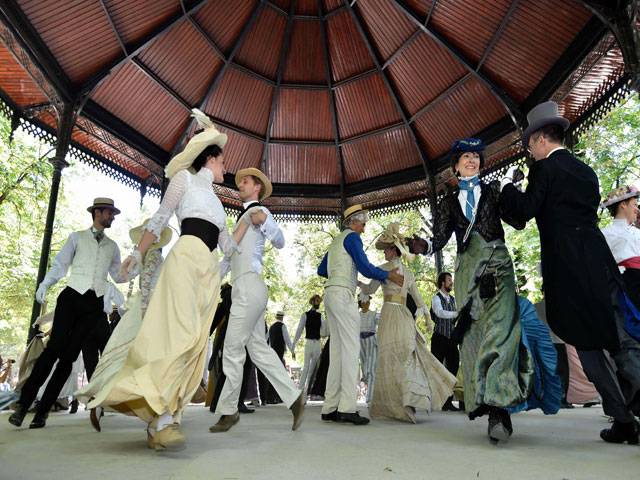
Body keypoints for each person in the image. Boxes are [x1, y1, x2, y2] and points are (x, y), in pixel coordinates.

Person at [80, 109, 240, 450]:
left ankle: (162, 421)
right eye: (222, 160)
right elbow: (161, 218)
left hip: (208, 271)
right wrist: (137, 253)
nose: (226, 167)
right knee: (179, 335)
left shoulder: (218, 203)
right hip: (184, 258)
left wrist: (254, 223)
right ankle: (163, 418)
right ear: (210, 159)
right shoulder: (184, 179)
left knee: (197, 343)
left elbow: (229, 246)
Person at [500, 101, 640, 444]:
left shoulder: (545, 170)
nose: (530, 151)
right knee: (619, 339)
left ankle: (624, 419)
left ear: (540, 140)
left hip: (569, 267)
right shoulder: (586, 171)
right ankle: (625, 418)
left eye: (530, 145)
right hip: (600, 263)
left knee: (588, 345)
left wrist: (506, 188)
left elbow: (523, 214)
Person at [407, 138, 533, 443]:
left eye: (476, 156)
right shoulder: (448, 201)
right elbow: (438, 240)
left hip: (498, 264)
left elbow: (517, 222)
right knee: (475, 335)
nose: (472, 160)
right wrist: (422, 247)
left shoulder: (493, 190)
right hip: (467, 270)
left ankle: (500, 409)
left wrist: (513, 190)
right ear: (456, 165)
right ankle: (489, 407)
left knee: (502, 331)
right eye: (466, 156)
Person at [9, 197, 127, 430]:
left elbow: (119, 277)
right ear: (97, 212)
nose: (112, 217)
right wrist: (45, 284)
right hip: (71, 297)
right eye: (109, 213)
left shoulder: (112, 247)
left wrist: (136, 263)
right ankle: (23, 405)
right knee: (52, 350)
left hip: (94, 305)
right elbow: (60, 265)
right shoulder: (77, 237)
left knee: (69, 359)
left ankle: (42, 413)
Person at [211, 168, 304, 434]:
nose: (240, 184)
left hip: (250, 286)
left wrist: (264, 220)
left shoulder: (257, 212)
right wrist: (208, 281)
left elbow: (281, 240)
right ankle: (294, 398)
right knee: (259, 350)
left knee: (231, 348)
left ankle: (228, 411)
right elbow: (228, 257)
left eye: (246, 181)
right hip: (243, 287)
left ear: (257, 189)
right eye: (240, 181)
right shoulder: (243, 216)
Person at [75, 219, 172, 432]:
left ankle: (102, 401)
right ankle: (156, 415)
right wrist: (149, 314)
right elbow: (145, 283)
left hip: (143, 307)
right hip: (149, 309)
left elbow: (123, 275)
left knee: (124, 361)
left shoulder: (145, 256)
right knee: (150, 362)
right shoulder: (155, 256)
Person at [360, 223, 456, 423]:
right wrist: (429, 321)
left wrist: (429, 319)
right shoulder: (388, 270)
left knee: (401, 354)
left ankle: (407, 401)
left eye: (386, 249)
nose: (384, 252)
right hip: (396, 314)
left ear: (393, 249)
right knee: (396, 356)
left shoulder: (391, 271)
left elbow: (417, 299)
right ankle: (398, 404)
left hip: (396, 314)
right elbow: (371, 291)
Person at [318, 204, 404, 425]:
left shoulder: (336, 241)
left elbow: (321, 270)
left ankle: (330, 408)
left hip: (329, 293)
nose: (364, 229)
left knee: (337, 352)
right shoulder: (353, 238)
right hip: (343, 295)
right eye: (363, 224)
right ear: (354, 222)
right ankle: (346, 407)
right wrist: (388, 275)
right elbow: (365, 267)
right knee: (350, 350)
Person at [601, 185, 640, 311]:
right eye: (634, 204)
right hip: (628, 286)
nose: (637, 209)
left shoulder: (637, 232)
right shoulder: (605, 234)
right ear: (623, 205)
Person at [430, 271, 461, 411]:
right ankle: (436, 400)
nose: (451, 282)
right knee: (437, 370)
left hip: (451, 339)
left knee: (453, 369)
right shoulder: (436, 298)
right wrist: (456, 313)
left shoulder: (454, 300)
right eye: (449, 280)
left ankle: (448, 402)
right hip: (439, 339)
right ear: (442, 282)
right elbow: (439, 312)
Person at [293, 295, 324, 396]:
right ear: (312, 302)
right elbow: (299, 330)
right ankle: (299, 392)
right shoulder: (305, 315)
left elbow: (324, 331)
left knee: (312, 369)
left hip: (317, 344)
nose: (318, 303)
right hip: (309, 342)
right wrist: (293, 345)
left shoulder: (321, 316)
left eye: (319, 301)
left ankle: (306, 393)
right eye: (317, 301)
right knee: (306, 367)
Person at [357, 295, 378, 404]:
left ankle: (370, 396)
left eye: (368, 301)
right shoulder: (356, 315)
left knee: (371, 369)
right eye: (364, 301)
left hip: (371, 341)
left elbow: (381, 321)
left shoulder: (374, 314)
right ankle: (368, 386)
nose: (367, 303)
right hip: (360, 342)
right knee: (365, 369)